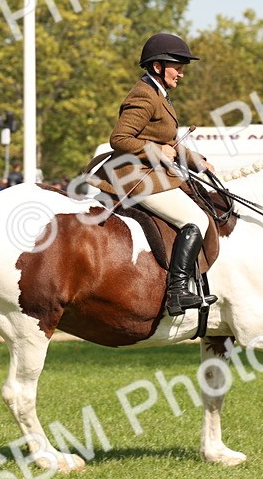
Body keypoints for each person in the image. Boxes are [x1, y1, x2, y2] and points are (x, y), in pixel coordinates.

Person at [84, 32, 218, 316]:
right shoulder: (144, 95)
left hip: (149, 172)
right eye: (177, 66)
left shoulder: (158, 94)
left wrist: (196, 160)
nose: (181, 73)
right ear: (158, 66)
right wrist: (155, 151)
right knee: (195, 218)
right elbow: (120, 138)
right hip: (135, 177)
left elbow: (167, 142)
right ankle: (178, 292)